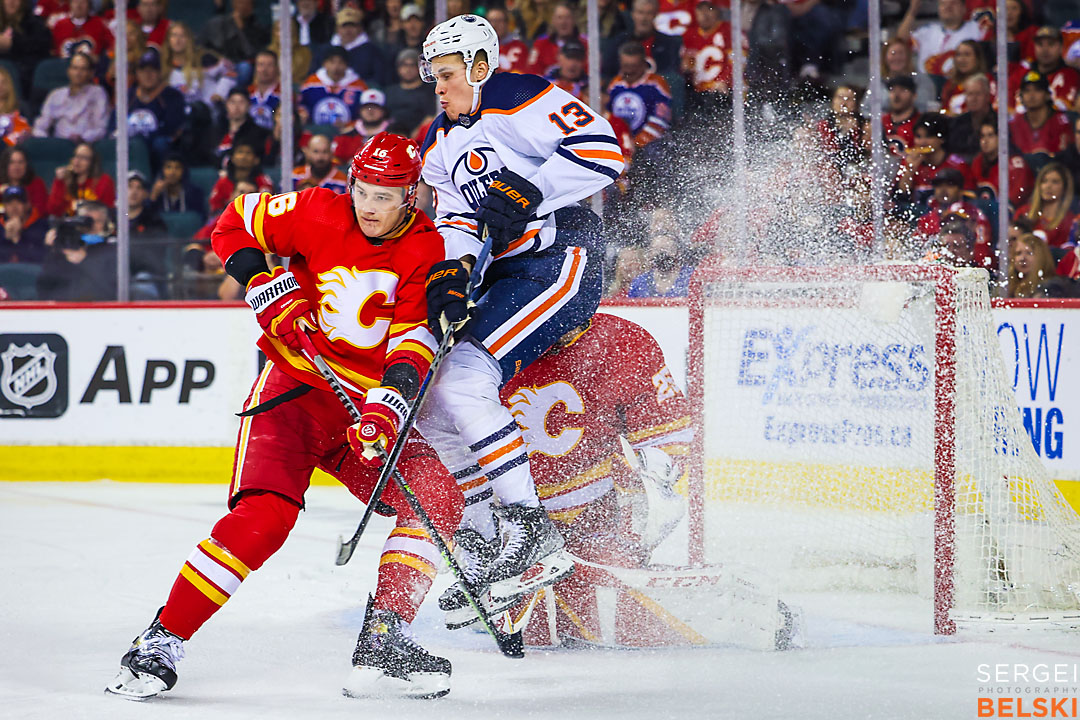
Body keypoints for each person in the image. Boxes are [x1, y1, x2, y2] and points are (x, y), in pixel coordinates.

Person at [105, 134, 463, 701]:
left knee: (437, 495)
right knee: (263, 521)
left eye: (386, 196)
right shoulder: (317, 209)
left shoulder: (425, 247)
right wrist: (263, 283)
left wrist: (387, 408)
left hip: (361, 414)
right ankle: (161, 639)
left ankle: (385, 639)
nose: (369, 206)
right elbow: (233, 221)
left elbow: (413, 343)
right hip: (291, 395)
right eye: (363, 190)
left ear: (411, 195)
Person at [416, 14, 621, 612]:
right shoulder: (436, 143)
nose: (439, 87)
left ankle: (530, 533)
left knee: (464, 377)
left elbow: (603, 149)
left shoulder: (519, 95)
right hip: (507, 275)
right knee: (433, 395)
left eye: (448, 74)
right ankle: (484, 539)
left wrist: (529, 190)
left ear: (480, 67)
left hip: (562, 258)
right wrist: (453, 272)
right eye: (434, 76)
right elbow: (457, 220)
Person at [127, 47, 189, 176]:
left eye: (152, 70)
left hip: (158, 149)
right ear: (137, 73)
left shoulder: (172, 95)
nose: (147, 75)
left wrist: (144, 140)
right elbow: (114, 123)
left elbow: (172, 129)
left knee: (160, 144)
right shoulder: (129, 95)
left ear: (160, 73)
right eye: (143, 70)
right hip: (132, 145)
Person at [31, 52, 109, 143]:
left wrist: (83, 138)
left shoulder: (98, 93)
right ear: (69, 71)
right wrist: (46, 141)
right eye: (75, 68)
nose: (78, 73)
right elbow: (40, 126)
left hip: (86, 145)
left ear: (91, 73)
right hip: (59, 145)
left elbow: (101, 128)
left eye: (83, 69)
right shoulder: (56, 95)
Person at [608, 41, 673, 148]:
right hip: (622, 141)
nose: (629, 71)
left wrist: (637, 143)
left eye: (634, 66)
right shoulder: (615, 84)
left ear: (643, 64)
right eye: (626, 66)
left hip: (650, 143)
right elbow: (609, 115)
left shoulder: (656, 84)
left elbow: (661, 120)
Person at [1008, 70, 1074, 171]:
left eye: (1037, 90)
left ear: (1047, 94)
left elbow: (1067, 158)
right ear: (1020, 96)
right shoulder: (1014, 123)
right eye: (1027, 90)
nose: (1031, 95)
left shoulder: (1061, 121)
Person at [602, 0, 682, 79]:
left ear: (655, 15)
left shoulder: (669, 44)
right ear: (632, 14)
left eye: (649, 13)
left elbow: (671, 76)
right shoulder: (618, 43)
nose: (644, 18)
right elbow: (607, 75)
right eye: (640, 12)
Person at [970, 118, 1034, 213]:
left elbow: (1014, 199)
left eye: (990, 135)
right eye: (982, 136)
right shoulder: (977, 162)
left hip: (1011, 215)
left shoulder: (1015, 164)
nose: (985, 141)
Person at [299, 45, 369, 130]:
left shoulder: (359, 86)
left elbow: (365, 115)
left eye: (341, 62)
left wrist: (349, 125)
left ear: (347, 65)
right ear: (324, 64)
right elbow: (301, 107)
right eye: (332, 62)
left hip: (349, 134)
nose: (336, 67)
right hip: (316, 133)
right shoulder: (310, 84)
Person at [1014, 162, 1077, 249]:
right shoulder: (1023, 213)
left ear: (1064, 188)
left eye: (1055, 182)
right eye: (1044, 181)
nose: (1048, 186)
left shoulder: (1071, 221)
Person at [46, 141, 115, 216]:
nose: (77, 161)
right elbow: (53, 210)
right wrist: (59, 182)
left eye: (83, 158)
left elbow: (108, 211)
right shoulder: (65, 179)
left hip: (94, 225)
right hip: (68, 224)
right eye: (75, 156)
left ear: (92, 162)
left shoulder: (104, 181)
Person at [208, 142, 274, 214]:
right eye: (240, 152)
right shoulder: (223, 182)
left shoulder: (263, 181)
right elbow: (215, 208)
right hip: (227, 218)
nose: (243, 156)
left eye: (248, 153)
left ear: (256, 160)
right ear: (232, 158)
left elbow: (268, 207)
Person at [385, 49, 433, 138]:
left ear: (419, 68)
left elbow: (431, 116)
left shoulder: (429, 91)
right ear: (398, 68)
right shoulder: (390, 91)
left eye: (412, 65)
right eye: (404, 65)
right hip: (393, 136)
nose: (408, 69)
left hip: (420, 138)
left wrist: (416, 134)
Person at [947, 73, 993, 161]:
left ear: (987, 96)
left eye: (978, 94)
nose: (973, 99)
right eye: (970, 94)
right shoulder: (956, 123)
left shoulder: (998, 123)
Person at [150, 153, 206, 220]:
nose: (172, 172)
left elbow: (199, 219)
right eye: (168, 167)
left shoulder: (194, 193)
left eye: (177, 167)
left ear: (183, 171)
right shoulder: (157, 194)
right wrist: (153, 196)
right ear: (162, 171)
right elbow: (147, 219)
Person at [0, 184, 47, 262]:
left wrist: (17, 239)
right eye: (9, 203)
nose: (14, 207)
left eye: (18, 202)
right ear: (4, 206)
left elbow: (39, 260)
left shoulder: (41, 226)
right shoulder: (1, 227)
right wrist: (7, 239)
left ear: (27, 205)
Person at [0, 145, 48, 217]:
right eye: (12, 162)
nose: (16, 166)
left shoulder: (37, 183)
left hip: (31, 225)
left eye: (20, 162)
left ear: (26, 165)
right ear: (5, 165)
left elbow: (40, 211)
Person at [1007, 231, 1057, 298]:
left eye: (1029, 253)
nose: (1023, 258)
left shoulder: (1050, 288)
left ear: (1042, 257)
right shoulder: (1006, 287)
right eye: (1018, 253)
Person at [882, 74, 920, 156]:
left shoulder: (920, 123)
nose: (896, 95)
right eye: (893, 90)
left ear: (914, 96)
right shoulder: (881, 122)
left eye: (903, 90)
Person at [248, 49, 282, 132]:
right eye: (261, 65)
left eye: (269, 65)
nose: (264, 69)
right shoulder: (247, 93)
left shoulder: (284, 94)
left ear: (277, 68)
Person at [127, 170, 167, 236]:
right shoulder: (113, 218)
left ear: (145, 194)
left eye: (139, 187)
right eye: (129, 186)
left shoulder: (153, 220)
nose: (134, 192)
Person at [0, 65, 29, 147]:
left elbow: (22, 133)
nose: (0, 86)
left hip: (11, 150)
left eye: (3, 82)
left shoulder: (21, 107)